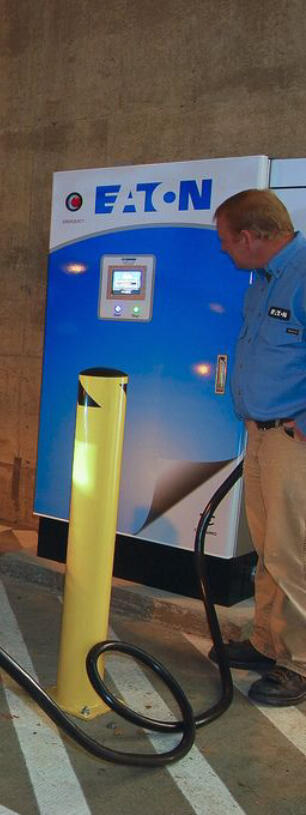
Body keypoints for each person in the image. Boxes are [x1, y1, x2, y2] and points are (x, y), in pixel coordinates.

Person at [211, 188, 306, 706]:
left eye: (227, 241)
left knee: (295, 553)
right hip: (263, 434)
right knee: (271, 549)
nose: (225, 251)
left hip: (293, 439)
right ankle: (269, 643)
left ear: (250, 236)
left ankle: (300, 664)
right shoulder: (266, 282)